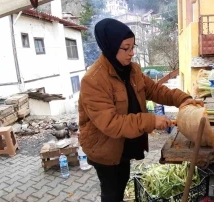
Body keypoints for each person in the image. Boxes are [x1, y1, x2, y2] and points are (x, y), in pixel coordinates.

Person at [78, 18, 203, 202]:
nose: (132, 53)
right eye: (126, 48)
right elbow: (110, 123)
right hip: (104, 147)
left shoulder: (132, 69)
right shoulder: (93, 80)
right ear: (111, 47)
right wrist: (151, 121)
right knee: (112, 192)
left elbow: (155, 90)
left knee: (122, 181)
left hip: (123, 143)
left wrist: (183, 99)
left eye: (133, 47)